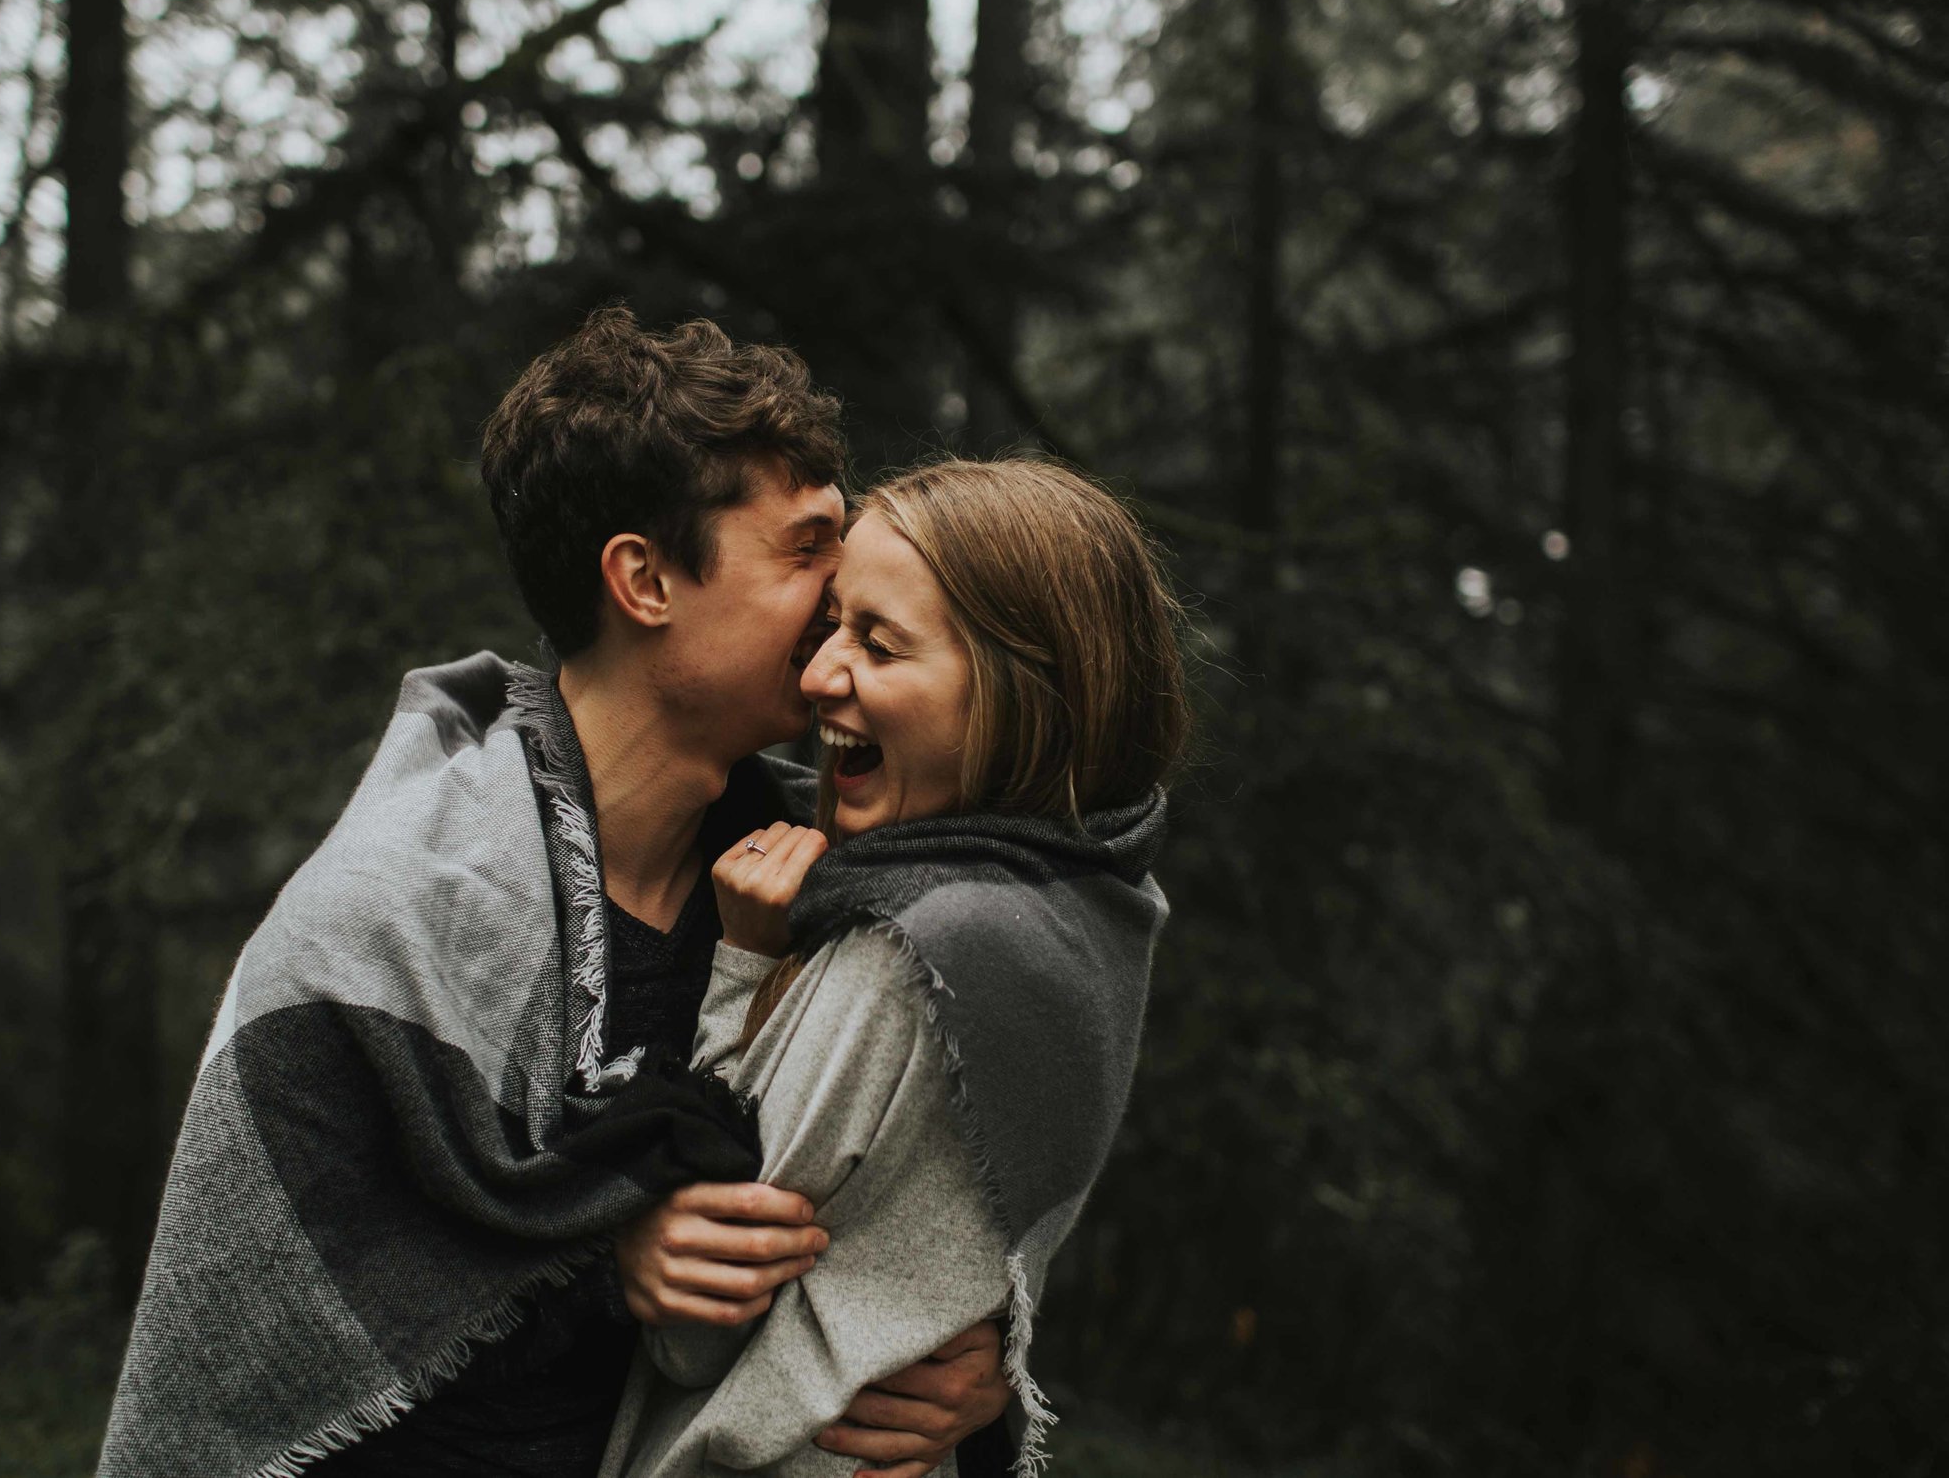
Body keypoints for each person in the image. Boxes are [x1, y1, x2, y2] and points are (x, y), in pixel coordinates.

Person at [95, 310, 1008, 1478]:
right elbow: (278, 1351)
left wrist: (967, 1355)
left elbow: (927, 1188)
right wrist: (601, 1269)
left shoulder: (835, 870)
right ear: (641, 579)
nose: (846, 588)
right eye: (804, 546)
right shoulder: (385, 917)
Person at [598, 456, 1190, 1478]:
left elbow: (692, 1331)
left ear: (1019, 688)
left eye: (876, 642)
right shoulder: (1095, 905)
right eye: (832, 623)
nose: (821, 672)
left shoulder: (907, 957)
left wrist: (741, 963)